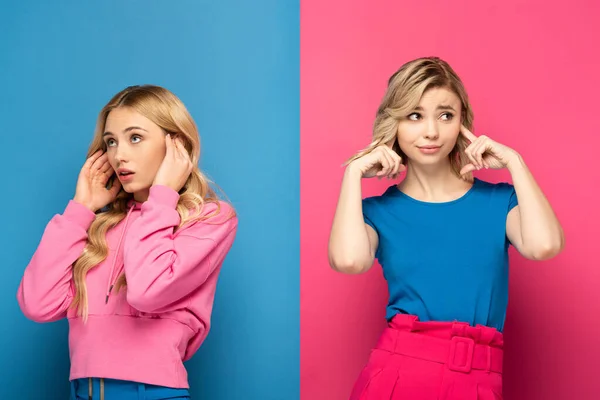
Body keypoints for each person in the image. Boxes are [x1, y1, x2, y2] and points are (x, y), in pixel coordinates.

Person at [328, 57, 564, 399]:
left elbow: (545, 246)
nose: (431, 132)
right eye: (414, 115)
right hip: (397, 374)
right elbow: (349, 261)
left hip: (479, 378)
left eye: (445, 115)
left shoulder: (500, 202)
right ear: (393, 123)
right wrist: (352, 175)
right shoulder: (377, 213)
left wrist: (516, 163)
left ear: (462, 125)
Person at [17, 85, 238, 399]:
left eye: (135, 137)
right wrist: (81, 209)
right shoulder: (97, 226)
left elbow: (148, 292)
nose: (119, 155)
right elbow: (38, 305)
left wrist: (162, 198)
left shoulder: (210, 219)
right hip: (83, 391)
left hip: (153, 392)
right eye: (110, 142)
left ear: (176, 144)